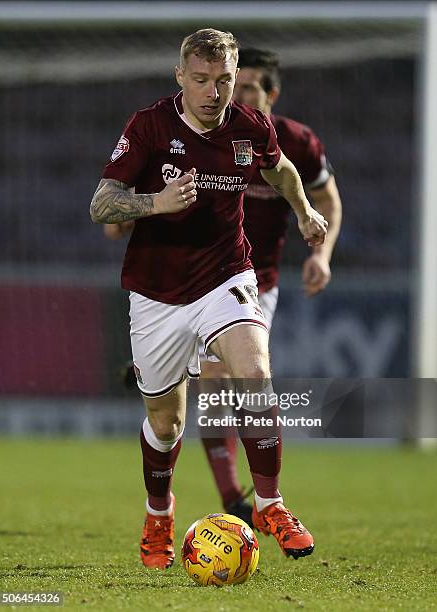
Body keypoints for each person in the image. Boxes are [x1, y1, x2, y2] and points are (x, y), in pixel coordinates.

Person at [90, 29, 327, 570]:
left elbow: (281, 168)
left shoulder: (249, 127)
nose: (213, 93)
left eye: (223, 81)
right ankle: (159, 515)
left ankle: (269, 504)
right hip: (157, 291)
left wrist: (304, 211)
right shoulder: (149, 125)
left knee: (255, 375)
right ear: (181, 77)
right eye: (200, 80)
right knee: (166, 421)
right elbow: (101, 204)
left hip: (226, 275)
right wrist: (155, 201)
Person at [198, 47, 343, 526]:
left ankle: (253, 498)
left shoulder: (297, 144)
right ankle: (238, 499)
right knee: (218, 384)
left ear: (272, 94)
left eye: (248, 87)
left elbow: (327, 200)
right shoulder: (205, 132)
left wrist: (320, 255)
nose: (235, 94)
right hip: (199, 277)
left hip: (257, 283)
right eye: (232, 84)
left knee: (242, 385)